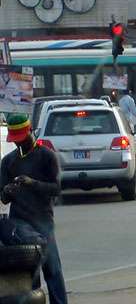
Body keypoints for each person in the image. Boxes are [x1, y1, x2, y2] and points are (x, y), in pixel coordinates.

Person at [0, 114, 68, 304]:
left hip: (43, 221)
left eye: (21, 139)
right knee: (30, 272)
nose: (18, 144)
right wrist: (7, 190)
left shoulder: (46, 156)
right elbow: (3, 197)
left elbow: (56, 189)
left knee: (53, 269)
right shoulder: (8, 162)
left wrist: (32, 183)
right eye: (15, 141)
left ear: (30, 132)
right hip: (20, 225)